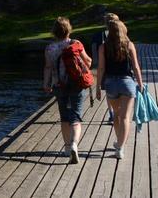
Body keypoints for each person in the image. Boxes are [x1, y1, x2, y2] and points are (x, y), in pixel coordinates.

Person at [43, 16, 92, 164]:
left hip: (59, 85)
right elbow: (88, 61)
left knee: (64, 117)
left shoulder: (49, 48)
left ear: (54, 31)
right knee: (76, 117)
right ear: (69, 29)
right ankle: (75, 145)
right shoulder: (76, 43)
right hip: (76, 84)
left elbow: (48, 67)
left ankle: (66, 148)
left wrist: (47, 84)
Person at [96, 19, 144, 160]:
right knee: (125, 117)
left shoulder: (103, 47)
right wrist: (140, 83)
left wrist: (98, 86)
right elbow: (135, 67)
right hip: (127, 83)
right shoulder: (129, 45)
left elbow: (101, 68)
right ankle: (121, 147)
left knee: (116, 115)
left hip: (111, 83)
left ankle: (118, 142)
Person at [90, 13, 119, 120]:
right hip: (120, 67)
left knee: (109, 91)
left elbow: (94, 53)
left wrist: (94, 67)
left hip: (105, 69)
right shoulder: (122, 35)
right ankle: (117, 112)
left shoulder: (98, 36)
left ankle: (111, 113)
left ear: (105, 23)